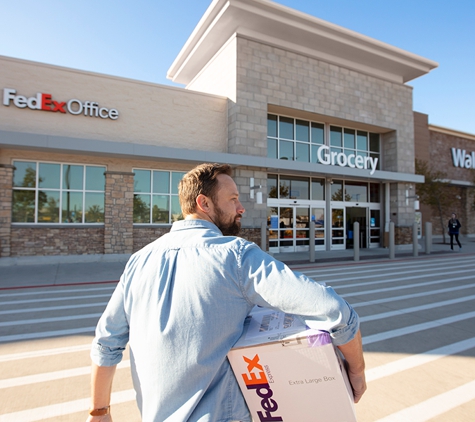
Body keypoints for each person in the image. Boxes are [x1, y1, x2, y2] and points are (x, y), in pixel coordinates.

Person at [87, 163, 366, 422]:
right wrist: (357, 371)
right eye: (233, 199)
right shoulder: (234, 255)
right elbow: (333, 310)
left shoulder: (139, 261)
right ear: (204, 203)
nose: (241, 207)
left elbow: (106, 343)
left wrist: (99, 412)